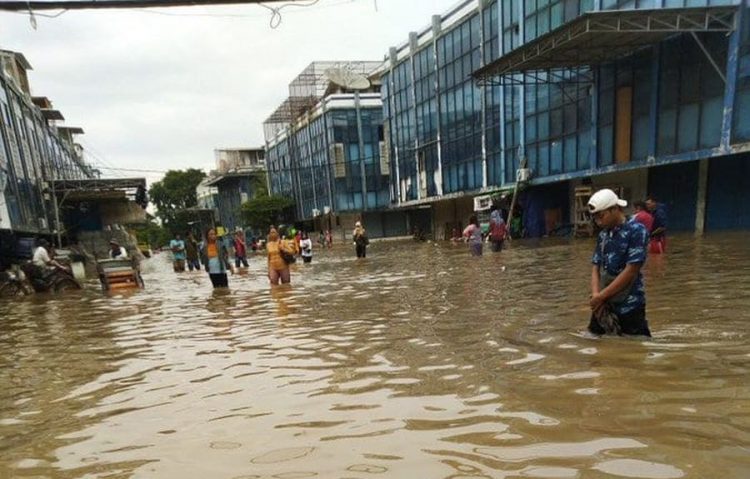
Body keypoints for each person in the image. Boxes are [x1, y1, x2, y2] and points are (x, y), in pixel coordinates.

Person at [587, 188, 651, 337]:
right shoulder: (603, 235)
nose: (598, 221)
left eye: (601, 216)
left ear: (614, 209)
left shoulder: (636, 231)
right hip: (604, 304)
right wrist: (596, 296)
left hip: (630, 305)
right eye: (595, 218)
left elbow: (631, 270)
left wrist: (600, 297)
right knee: (593, 340)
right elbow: (595, 268)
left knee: (635, 349)